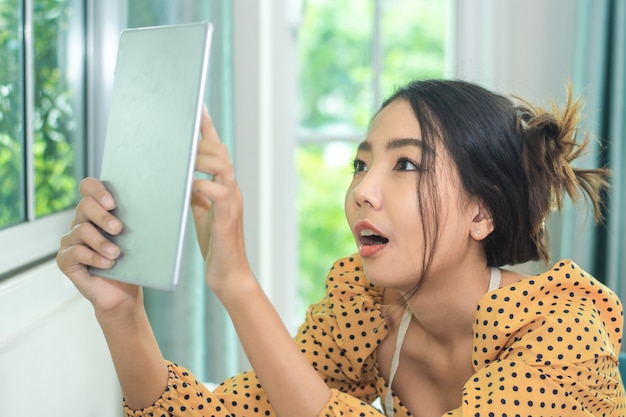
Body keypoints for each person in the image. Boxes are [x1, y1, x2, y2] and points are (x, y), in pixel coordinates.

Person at [57, 79, 626, 417]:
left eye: (405, 164)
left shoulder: (564, 334)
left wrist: (236, 283)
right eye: (360, 164)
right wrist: (121, 311)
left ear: (482, 213)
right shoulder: (364, 313)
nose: (361, 191)